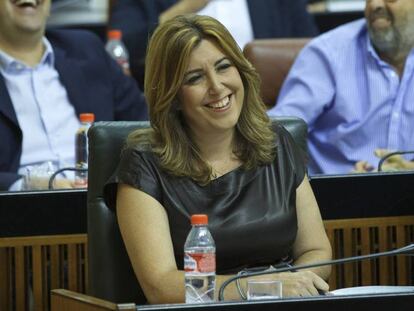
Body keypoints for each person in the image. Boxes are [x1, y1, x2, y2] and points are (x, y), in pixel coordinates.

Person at [104, 14, 331, 304]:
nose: (217, 86)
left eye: (224, 67)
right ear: (172, 96)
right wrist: (267, 287)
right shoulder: (144, 164)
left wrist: (292, 286)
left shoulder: (277, 143)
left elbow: (316, 251)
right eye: (195, 78)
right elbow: (161, 286)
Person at [0, 0, 147, 191]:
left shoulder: (86, 49)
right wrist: (25, 184)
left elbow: (142, 123)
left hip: (103, 201)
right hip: (18, 209)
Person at [268, 0, 414, 175]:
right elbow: (277, 132)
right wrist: (348, 180)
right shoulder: (328, 53)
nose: (375, 5)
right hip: (334, 193)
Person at [109, 0, 318, 88]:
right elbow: (121, 50)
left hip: (270, 110)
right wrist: (186, 7)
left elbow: (310, 54)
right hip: (184, 113)